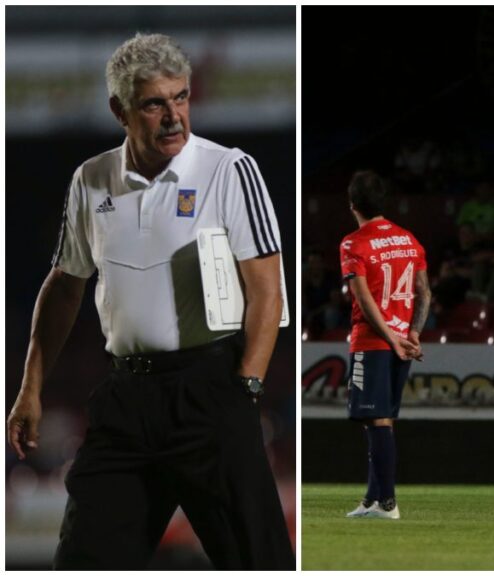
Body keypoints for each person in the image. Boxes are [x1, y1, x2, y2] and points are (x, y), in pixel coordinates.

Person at [5, 33, 295, 568]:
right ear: (120, 110)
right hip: (126, 400)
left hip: (211, 392)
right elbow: (65, 285)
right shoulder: (91, 179)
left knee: (258, 560)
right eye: (155, 103)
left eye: (181, 98)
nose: (173, 116)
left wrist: (245, 389)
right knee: (84, 559)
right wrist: (31, 387)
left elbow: (267, 289)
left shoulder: (229, 170)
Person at [340, 170, 431, 520]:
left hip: (374, 341)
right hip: (402, 341)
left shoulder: (353, 243)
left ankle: (389, 504)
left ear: (353, 205)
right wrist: (413, 334)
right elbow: (425, 293)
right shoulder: (410, 239)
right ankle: (371, 499)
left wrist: (391, 338)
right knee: (381, 420)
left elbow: (363, 300)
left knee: (376, 419)